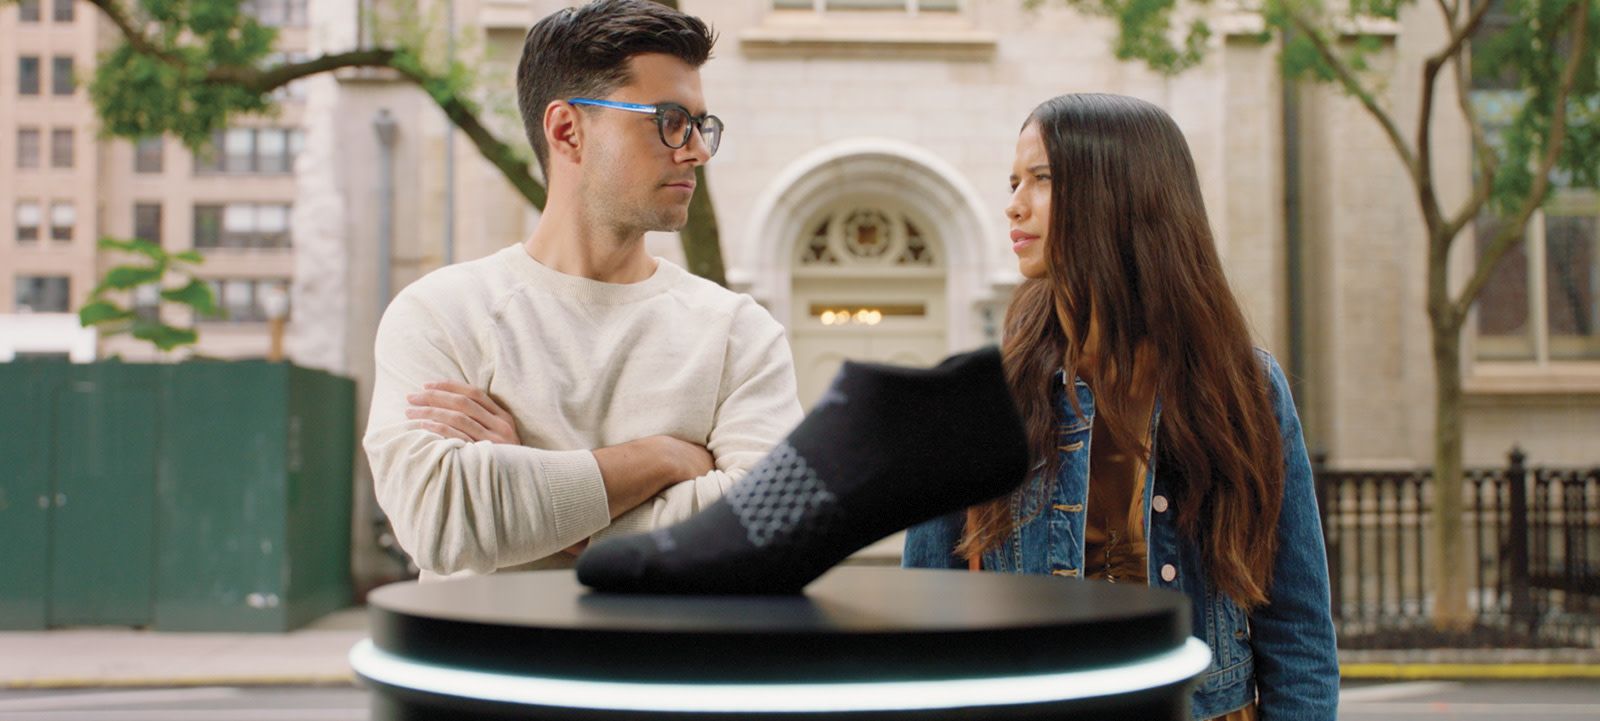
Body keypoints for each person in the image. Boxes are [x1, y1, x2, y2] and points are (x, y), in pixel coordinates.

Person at [902, 93, 1339, 720]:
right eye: (1014, 180)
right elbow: (927, 620)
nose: (1014, 203)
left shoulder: (1243, 389)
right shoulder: (980, 399)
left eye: (1043, 180)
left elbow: (1296, 630)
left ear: (1122, 195)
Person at [365, 0, 802, 581]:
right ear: (567, 130)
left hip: (672, 670)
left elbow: (775, 531)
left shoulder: (738, 332)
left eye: (701, 125)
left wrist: (541, 496)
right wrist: (664, 458)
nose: (695, 149)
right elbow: (439, 522)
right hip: (495, 667)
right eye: (669, 119)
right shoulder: (442, 313)